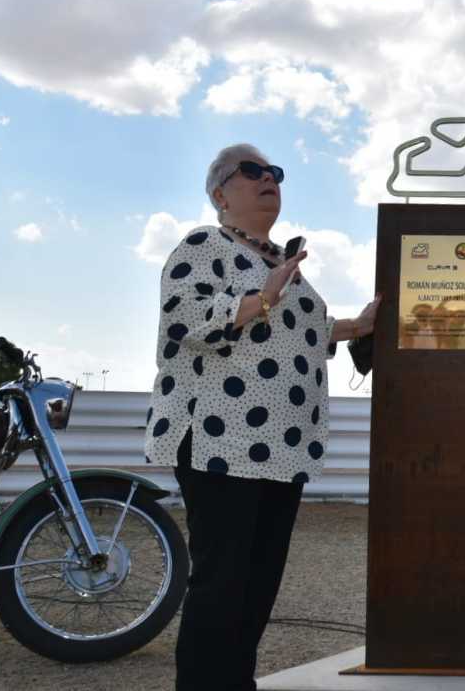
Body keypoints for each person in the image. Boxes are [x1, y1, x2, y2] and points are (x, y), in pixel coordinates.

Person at [144, 144, 380, 691]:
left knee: (257, 586)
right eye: (252, 171)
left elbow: (306, 335)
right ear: (221, 194)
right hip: (220, 442)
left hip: (282, 448)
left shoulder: (281, 261)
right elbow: (186, 320)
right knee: (221, 584)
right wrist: (260, 299)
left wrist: (357, 326)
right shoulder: (204, 245)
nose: (268, 178)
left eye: (275, 172)